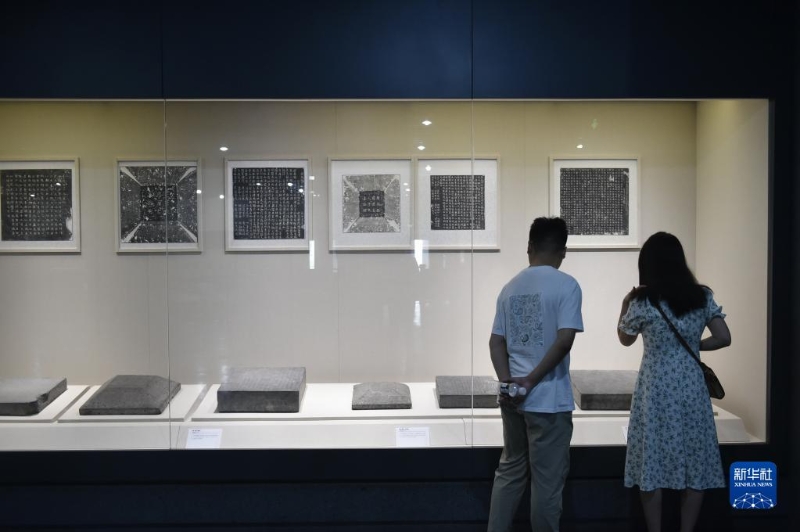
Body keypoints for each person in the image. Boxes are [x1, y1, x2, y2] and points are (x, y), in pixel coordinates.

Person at [617, 232, 731, 532]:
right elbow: (723, 337)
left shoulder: (643, 301)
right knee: (694, 462)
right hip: (692, 388)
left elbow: (625, 338)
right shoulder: (702, 296)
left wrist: (625, 303)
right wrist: (694, 345)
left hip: (655, 390)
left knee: (651, 463)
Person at [488, 217, 584, 532]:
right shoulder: (567, 285)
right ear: (563, 250)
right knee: (547, 483)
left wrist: (508, 382)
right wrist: (531, 381)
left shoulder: (510, 287)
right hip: (548, 400)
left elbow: (496, 341)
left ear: (529, 246)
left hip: (512, 400)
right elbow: (565, 339)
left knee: (509, 471)